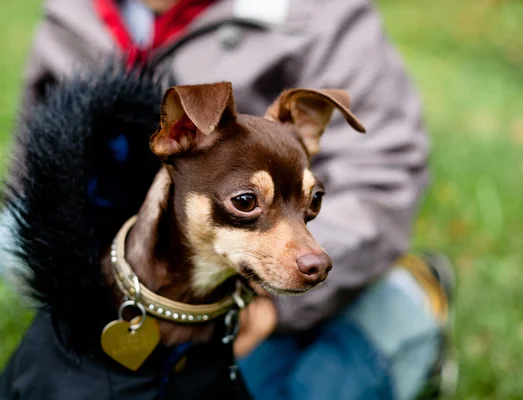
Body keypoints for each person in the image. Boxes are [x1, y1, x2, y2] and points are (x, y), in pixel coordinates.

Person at [5, 0, 457, 398]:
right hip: (114, 250)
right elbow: (37, 159)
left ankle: (407, 305)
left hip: (257, 288)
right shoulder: (71, 10)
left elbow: (385, 172)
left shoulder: (323, 11)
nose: (312, 252)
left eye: (310, 202)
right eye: (246, 201)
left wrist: (269, 303)